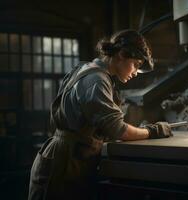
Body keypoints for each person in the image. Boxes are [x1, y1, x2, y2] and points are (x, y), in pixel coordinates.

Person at [28, 29, 172, 200]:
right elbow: (118, 130)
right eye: (136, 64)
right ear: (121, 54)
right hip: (65, 163)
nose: (135, 72)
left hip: (72, 157)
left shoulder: (88, 68)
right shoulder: (96, 80)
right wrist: (152, 131)